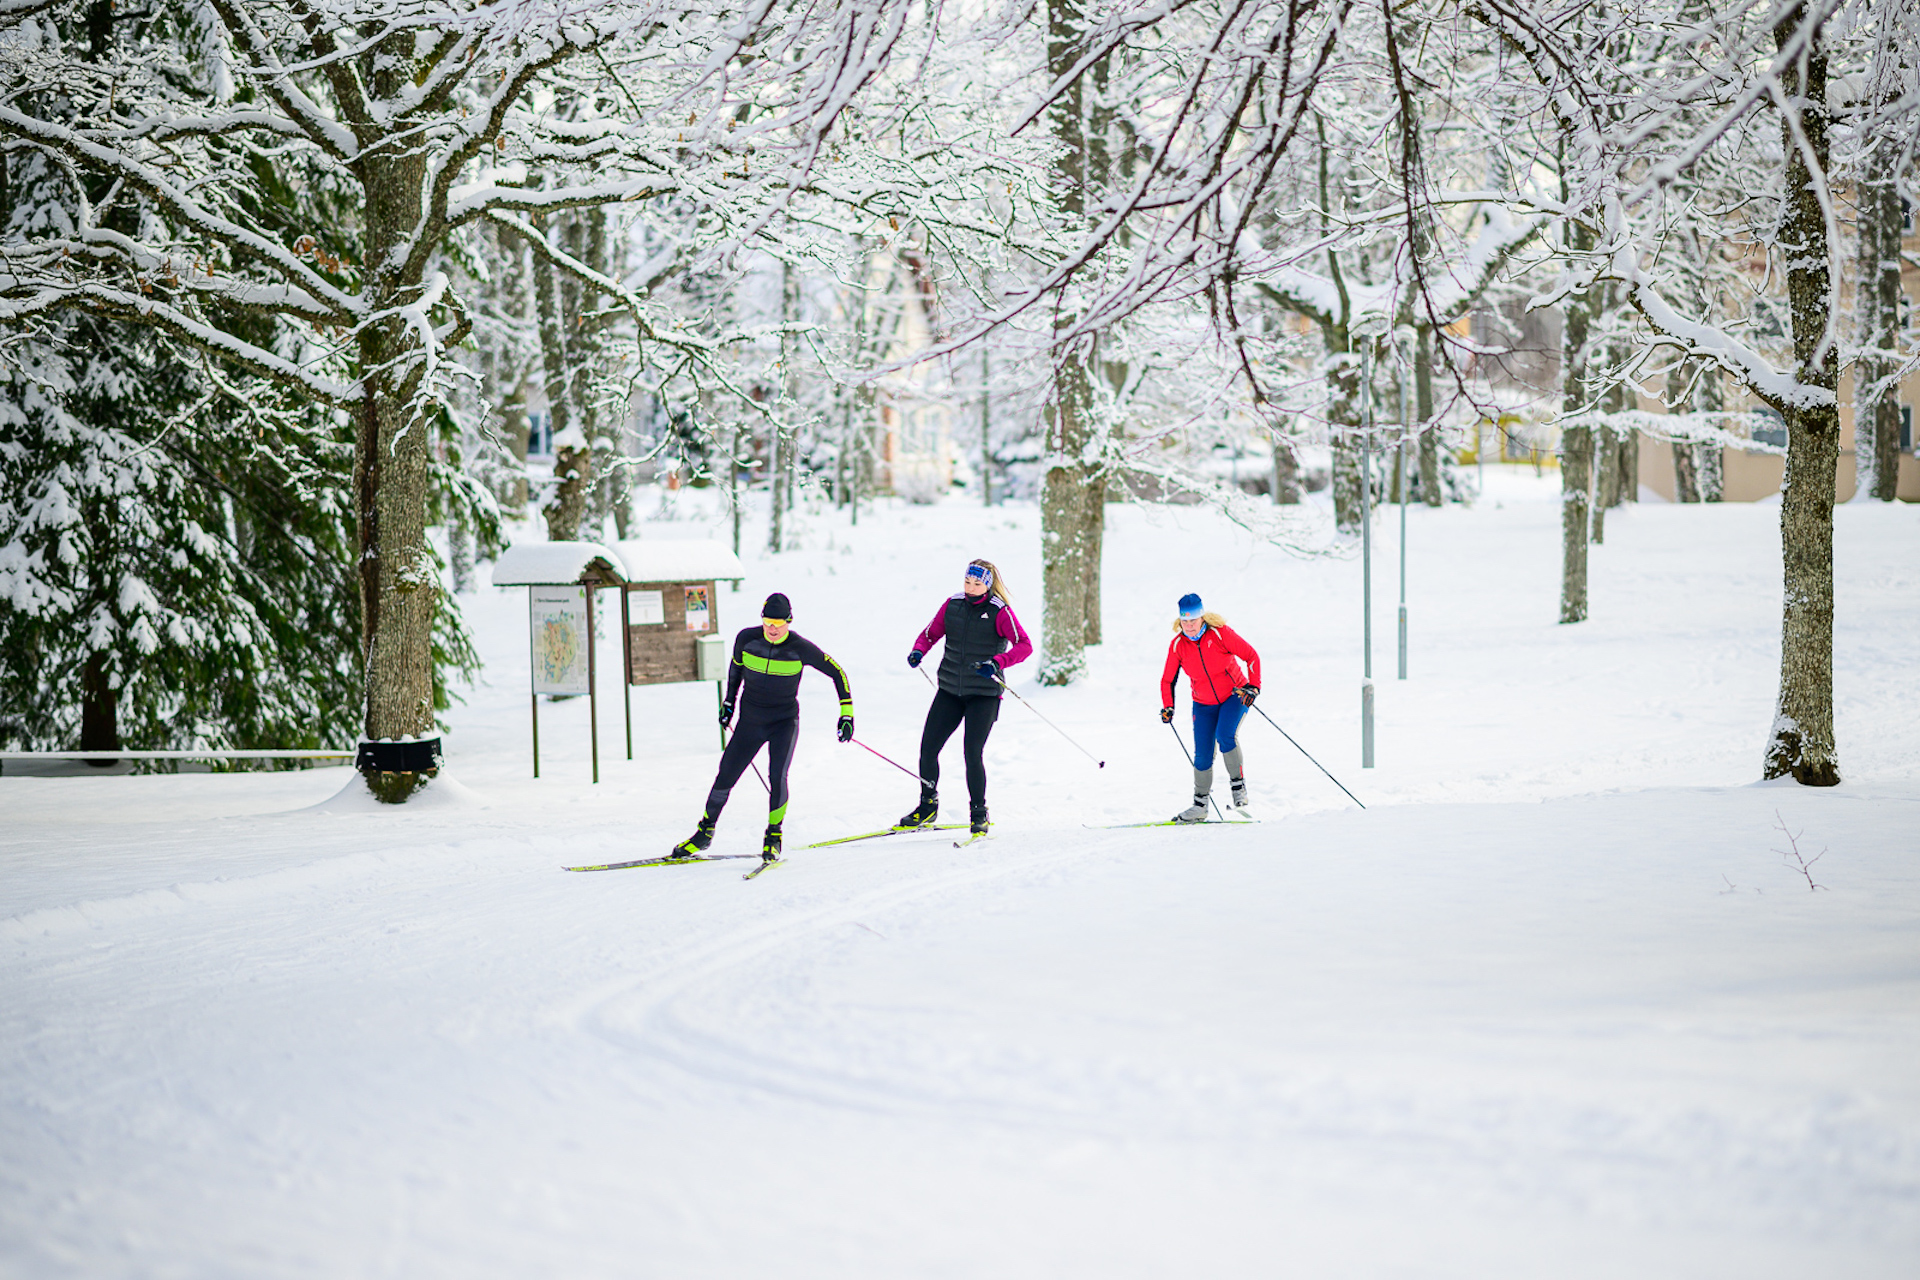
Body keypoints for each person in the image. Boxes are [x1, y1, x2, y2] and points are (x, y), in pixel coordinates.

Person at [673, 592, 854, 864]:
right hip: (751, 721)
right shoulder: (747, 640)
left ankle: (773, 836)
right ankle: (704, 833)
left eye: (778, 624)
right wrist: (728, 703)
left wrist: (847, 714)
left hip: (784, 722)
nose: (772, 629)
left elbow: (838, 673)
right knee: (725, 775)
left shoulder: (800, 648)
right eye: (768, 622)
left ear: (789, 622)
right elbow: (735, 672)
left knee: (777, 776)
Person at [897, 559, 1033, 837]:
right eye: (967, 582)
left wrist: (998, 662)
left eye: (977, 583)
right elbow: (930, 634)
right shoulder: (953, 605)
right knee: (928, 749)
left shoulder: (999, 612)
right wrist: (918, 651)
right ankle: (927, 806)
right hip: (950, 690)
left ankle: (979, 814)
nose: (970, 588)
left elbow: (1025, 645)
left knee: (972, 753)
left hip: (983, 694)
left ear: (988, 584)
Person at [1159, 592, 1260, 822]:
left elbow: (1251, 655)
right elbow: (1167, 680)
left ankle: (1239, 794)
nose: (1189, 626)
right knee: (1202, 754)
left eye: (1193, 620)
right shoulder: (1178, 646)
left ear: (1202, 617)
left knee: (1225, 735)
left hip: (1234, 695)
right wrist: (1168, 707)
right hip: (1203, 704)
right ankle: (1200, 806)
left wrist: (1253, 686)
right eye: (1184, 621)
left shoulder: (1220, 634)